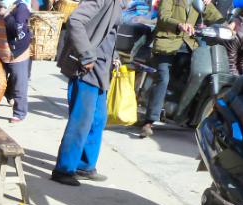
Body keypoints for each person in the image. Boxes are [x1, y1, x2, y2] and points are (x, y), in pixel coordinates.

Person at [51, 0, 125, 186]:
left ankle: (84, 166)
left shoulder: (118, 3)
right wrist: (86, 53)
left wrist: (114, 57)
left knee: (97, 119)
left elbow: (108, 34)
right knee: (81, 121)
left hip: (102, 69)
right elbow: (75, 20)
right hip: (87, 69)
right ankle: (64, 169)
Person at [139, 0, 224, 138]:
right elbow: (163, 16)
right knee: (163, 78)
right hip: (167, 43)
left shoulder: (200, 1)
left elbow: (217, 19)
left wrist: (229, 24)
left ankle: (184, 114)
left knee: (199, 75)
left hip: (189, 45)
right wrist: (179, 24)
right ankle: (149, 122)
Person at [0, 0, 34, 123]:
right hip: (0, 52)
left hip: (17, 54)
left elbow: (17, 31)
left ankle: (19, 112)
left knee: (19, 84)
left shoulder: (21, 8)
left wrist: (7, 16)